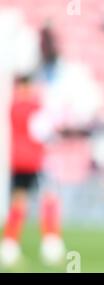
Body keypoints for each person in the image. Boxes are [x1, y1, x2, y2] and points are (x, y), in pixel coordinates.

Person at [0, 75, 65, 269]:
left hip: (17, 162)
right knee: (50, 198)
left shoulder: (13, 108)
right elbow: (43, 133)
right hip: (35, 162)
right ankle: (51, 245)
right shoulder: (35, 108)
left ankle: (9, 245)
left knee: (18, 202)